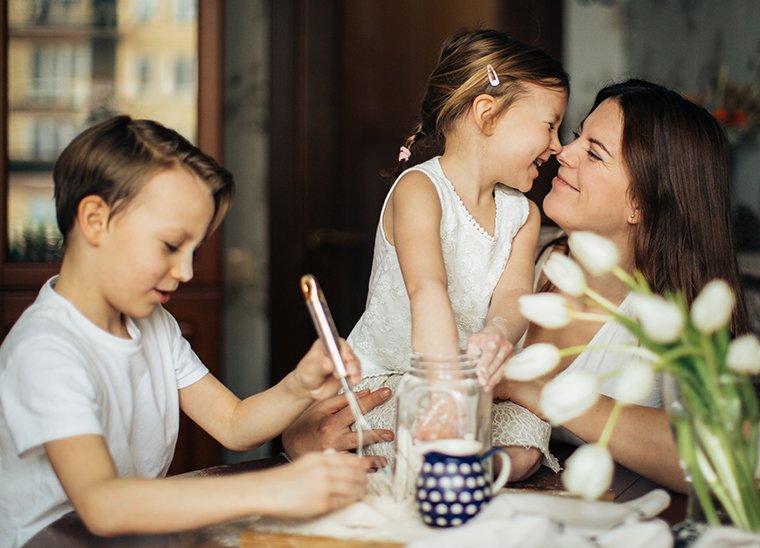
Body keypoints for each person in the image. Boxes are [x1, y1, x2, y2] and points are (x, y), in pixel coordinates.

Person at [0, 116, 371, 547]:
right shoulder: (46, 350)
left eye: (194, 251)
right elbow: (102, 504)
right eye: (171, 246)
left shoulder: (153, 324)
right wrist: (275, 489)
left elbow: (233, 424)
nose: (186, 271)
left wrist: (299, 387)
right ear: (95, 219)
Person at [335, 28, 569, 481]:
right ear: (487, 113)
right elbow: (427, 289)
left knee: (526, 441)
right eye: (550, 125)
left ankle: (464, 470)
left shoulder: (523, 213)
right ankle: (444, 464)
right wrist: (444, 392)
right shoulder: (420, 189)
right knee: (420, 433)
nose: (557, 146)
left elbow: (515, 293)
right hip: (397, 378)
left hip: (473, 388)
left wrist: (500, 333)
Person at [497, 78, 751, 493]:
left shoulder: (675, 318)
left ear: (641, 204)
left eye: (594, 153)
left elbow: (724, 459)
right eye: (579, 135)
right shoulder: (518, 251)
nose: (564, 150)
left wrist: (547, 393)